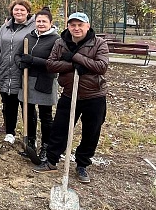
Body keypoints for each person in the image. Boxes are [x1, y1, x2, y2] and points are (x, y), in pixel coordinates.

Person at [33, 12, 109, 184]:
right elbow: (51, 65)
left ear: (87, 26)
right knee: (60, 129)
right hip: (69, 93)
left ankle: (82, 164)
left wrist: (76, 57)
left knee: (91, 132)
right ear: (68, 26)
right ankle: (51, 161)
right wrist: (72, 65)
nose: (76, 28)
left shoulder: (99, 43)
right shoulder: (61, 43)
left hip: (94, 95)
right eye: (72, 25)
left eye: (80, 25)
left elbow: (101, 66)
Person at [0, 0, 35, 144]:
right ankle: (10, 132)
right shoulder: (5, 28)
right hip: (5, 72)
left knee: (27, 106)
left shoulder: (33, 28)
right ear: (12, 12)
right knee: (8, 104)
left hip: (23, 73)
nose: (19, 12)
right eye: (16, 9)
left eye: (22, 9)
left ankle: (31, 137)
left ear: (28, 11)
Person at [15, 8, 60, 160]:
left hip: (44, 81)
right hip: (28, 80)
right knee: (28, 114)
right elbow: (18, 54)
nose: (40, 24)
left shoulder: (56, 40)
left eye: (44, 21)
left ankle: (46, 147)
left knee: (45, 116)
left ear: (50, 23)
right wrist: (20, 63)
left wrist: (33, 60)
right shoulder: (29, 37)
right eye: (38, 21)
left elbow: (55, 63)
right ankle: (31, 145)